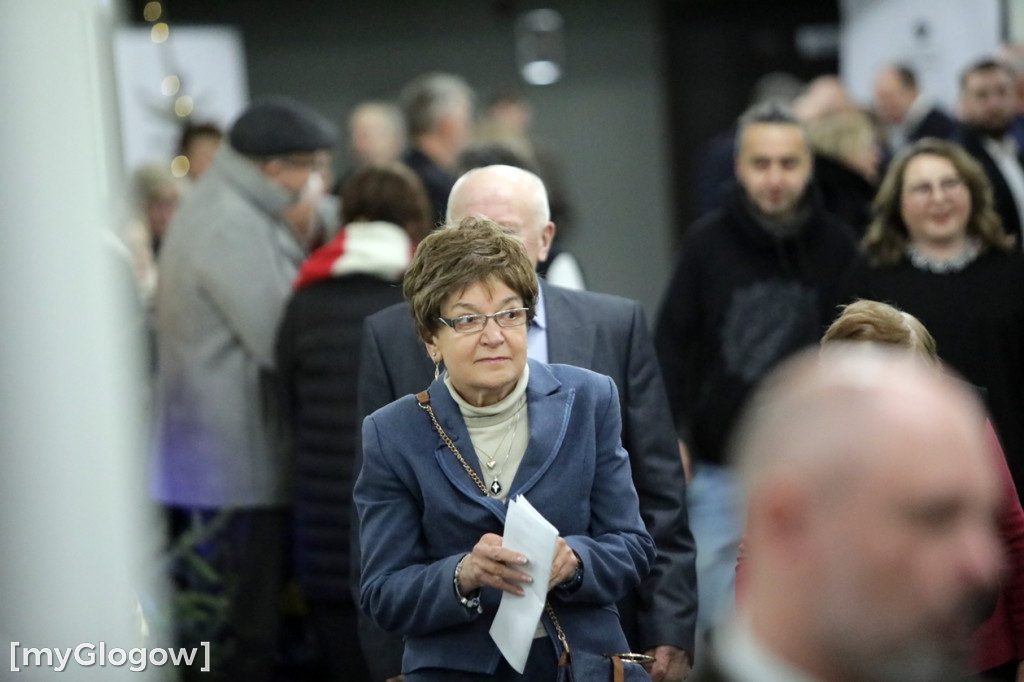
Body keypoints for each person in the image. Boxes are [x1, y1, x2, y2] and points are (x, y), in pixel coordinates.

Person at [357, 164, 697, 682]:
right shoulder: (394, 432)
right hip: (458, 669)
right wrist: (463, 574)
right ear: (431, 339)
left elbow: (633, 544)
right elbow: (382, 591)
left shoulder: (588, 398)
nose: (494, 335)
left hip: (580, 665)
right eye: (468, 319)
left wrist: (574, 561)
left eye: (510, 314)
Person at [655, 100, 861, 653]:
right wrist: (673, 432)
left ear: (808, 167)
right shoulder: (706, 244)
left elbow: (864, 351)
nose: (775, 177)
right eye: (762, 163)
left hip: (820, 465)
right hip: (724, 465)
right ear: (740, 168)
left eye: (788, 163)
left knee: (816, 619)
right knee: (722, 625)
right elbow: (671, 345)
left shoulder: (839, 246)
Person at [733, 299, 1024, 680]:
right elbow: (757, 557)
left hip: (968, 656)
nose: (979, 565)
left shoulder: (960, 430)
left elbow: (1011, 532)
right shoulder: (806, 446)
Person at [150, 96, 337, 682]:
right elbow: (276, 337)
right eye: (306, 167)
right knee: (238, 642)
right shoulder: (230, 223)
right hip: (233, 473)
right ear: (272, 168)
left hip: (222, 467)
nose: (311, 183)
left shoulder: (223, 207)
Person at [275, 161, 432, 682]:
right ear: (414, 221)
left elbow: (283, 402)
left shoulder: (303, 298)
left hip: (322, 524)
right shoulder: (422, 302)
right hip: (409, 528)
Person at [851, 137, 1024, 494]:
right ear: (897, 203)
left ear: (973, 192)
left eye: (950, 184)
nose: (939, 198)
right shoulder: (868, 279)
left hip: (1010, 472)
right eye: (922, 188)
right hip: (905, 477)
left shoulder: (1014, 273)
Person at [953, 58, 1024, 242]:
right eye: (982, 95)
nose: (994, 104)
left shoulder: (1015, 147)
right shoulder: (958, 159)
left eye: (1002, 92)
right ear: (963, 103)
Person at [399, 72, 475, 223]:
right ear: (447, 124)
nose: (470, 128)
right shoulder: (441, 190)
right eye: (466, 119)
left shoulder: (398, 174)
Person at [873, 63, 958, 154]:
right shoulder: (899, 129)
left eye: (887, 97)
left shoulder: (939, 128)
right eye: (879, 98)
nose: (881, 105)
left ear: (912, 91)